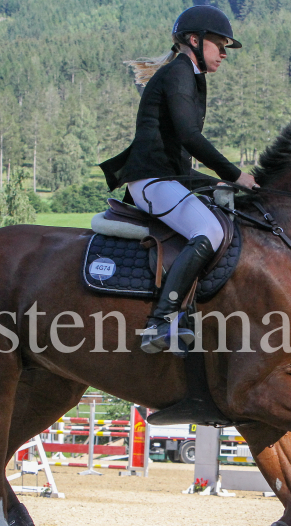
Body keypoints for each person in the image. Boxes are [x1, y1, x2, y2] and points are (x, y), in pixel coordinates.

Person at [100, 5, 257, 354]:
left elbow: (179, 153)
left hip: (169, 178)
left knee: (224, 218)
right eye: (220, 45)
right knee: (211, 231)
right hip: (151, 182)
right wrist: (235, 174)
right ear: (194, 40)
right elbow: (189, 137)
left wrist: (213, 183)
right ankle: (162, 321)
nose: (223, 54)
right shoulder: (179, 74)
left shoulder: (188, 75)